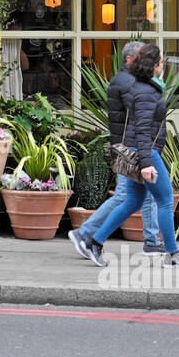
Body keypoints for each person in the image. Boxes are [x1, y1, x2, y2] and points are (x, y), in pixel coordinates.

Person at [71, 44, 179, 268]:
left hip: (138, 151)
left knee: (132, 201)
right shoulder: (146, 92)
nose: (163, 66)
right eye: (162, 62)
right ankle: (173, 255)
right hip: (145, 152)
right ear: (155, 65)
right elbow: (142, 129)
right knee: (165, 200)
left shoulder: (143, 87)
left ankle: (94, 242)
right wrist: (146, 164)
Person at [69, 41, 164, 254]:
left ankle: (151, 240)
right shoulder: (128, 83)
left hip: (134, 146)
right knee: (124, 196)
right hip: (130, 147)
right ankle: (84, 234)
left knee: (149, 193)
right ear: (130, 60)